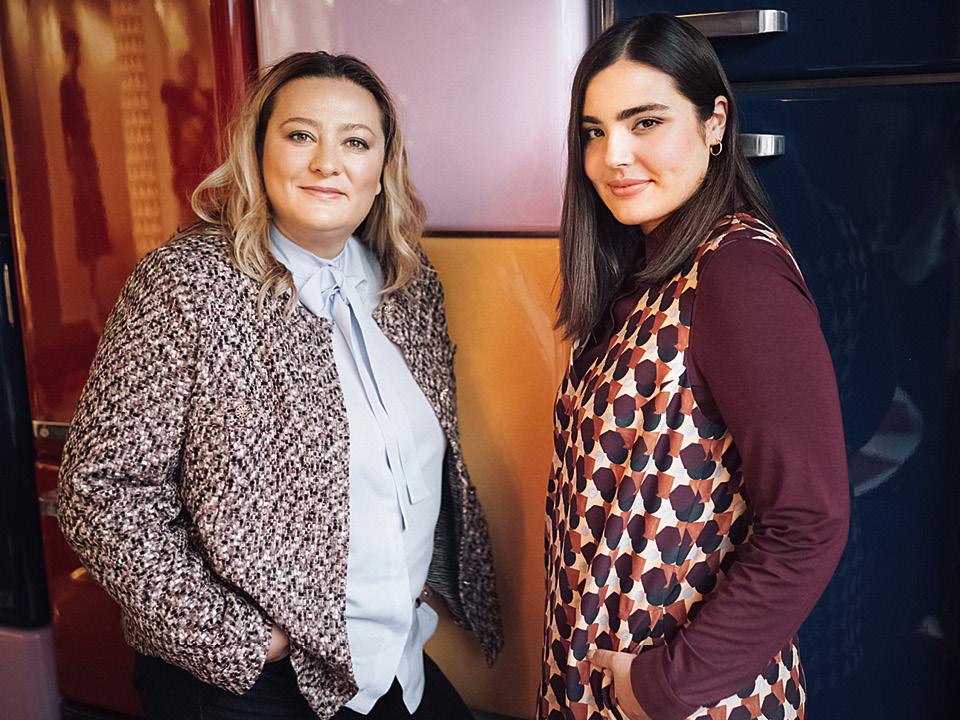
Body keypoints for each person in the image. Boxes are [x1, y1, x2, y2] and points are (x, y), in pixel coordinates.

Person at [58, 51, 502, 720]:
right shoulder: (185, 283)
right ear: (258, 152)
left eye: (355, 142)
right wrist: (239, 638)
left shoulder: (409, 285)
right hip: (246, 683)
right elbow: (101, 491)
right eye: (300, 135)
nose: (327, 163)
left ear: (381, 170)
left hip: (389, 657)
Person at [540, 14, 848, 720]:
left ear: (715, 123)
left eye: (645, 122)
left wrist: (665, 685)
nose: (614, 156)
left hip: (692, 700)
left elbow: (809, 519)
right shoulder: (645, 267)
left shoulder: (738, 274)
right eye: (594, 131)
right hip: (599, 684)